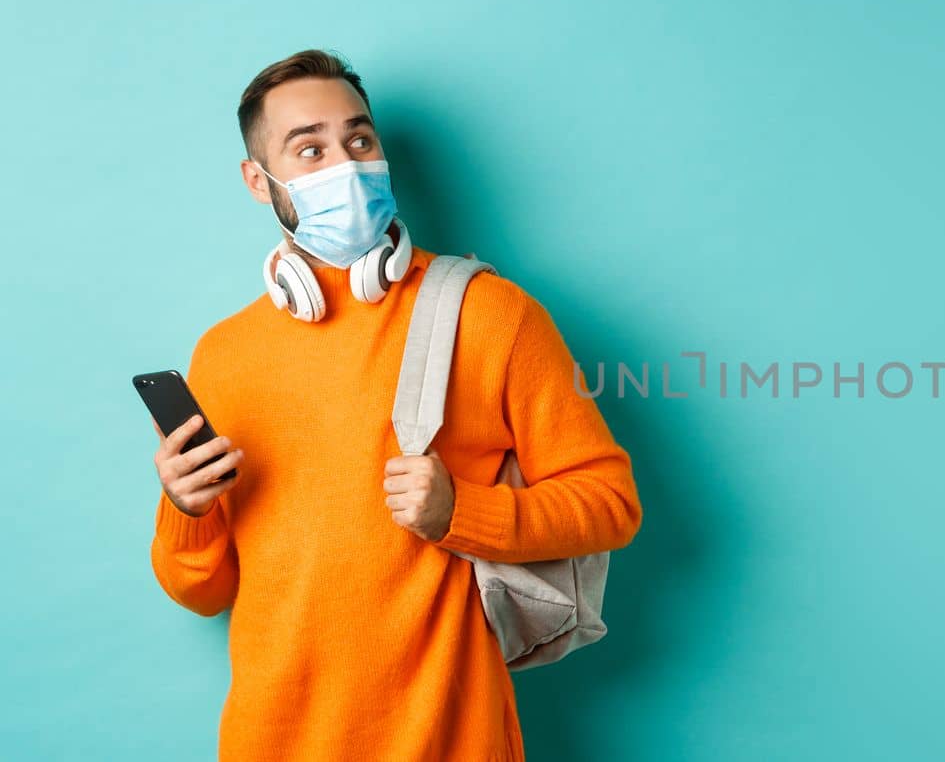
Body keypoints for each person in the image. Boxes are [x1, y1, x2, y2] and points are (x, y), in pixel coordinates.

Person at [147, 49, 643, 761]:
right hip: (271, 739)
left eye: (360, 140)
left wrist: (461, 513)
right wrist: (186, 511)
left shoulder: (489, 313)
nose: (345, 165)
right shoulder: (223, 354)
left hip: (449, 737)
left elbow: (611, 503)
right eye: (308, 148)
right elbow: (202, 592)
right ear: (259, 181)